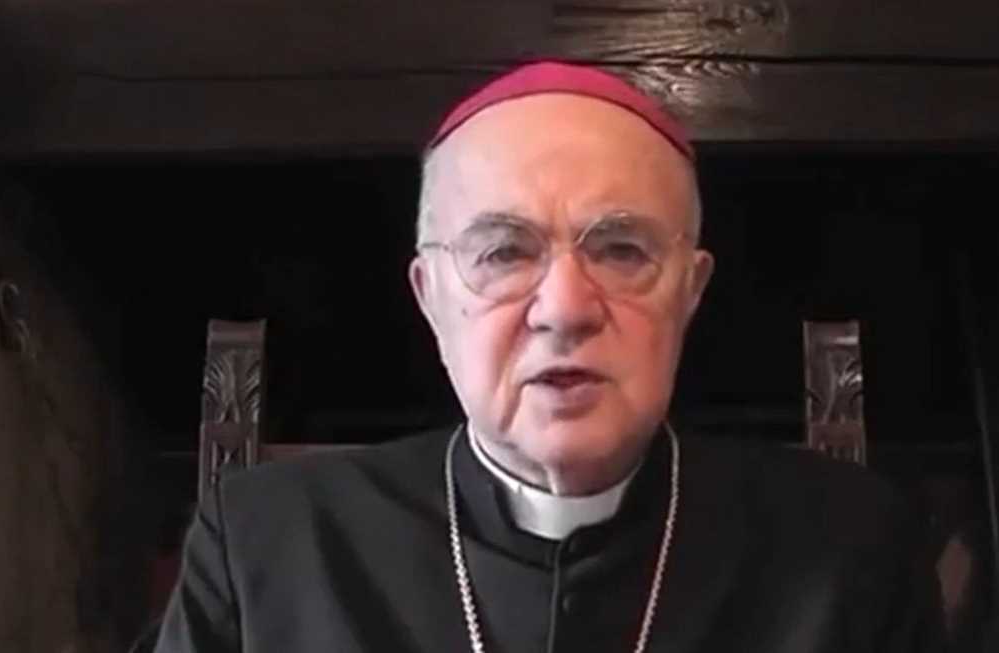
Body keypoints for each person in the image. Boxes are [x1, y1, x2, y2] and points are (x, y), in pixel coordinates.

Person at [152, 60, 946, 653]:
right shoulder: (263, 544)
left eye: (623, 248)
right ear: (431, 296)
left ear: (690, 290)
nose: (565, 308)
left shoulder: (854, 548)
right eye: (503, 253)